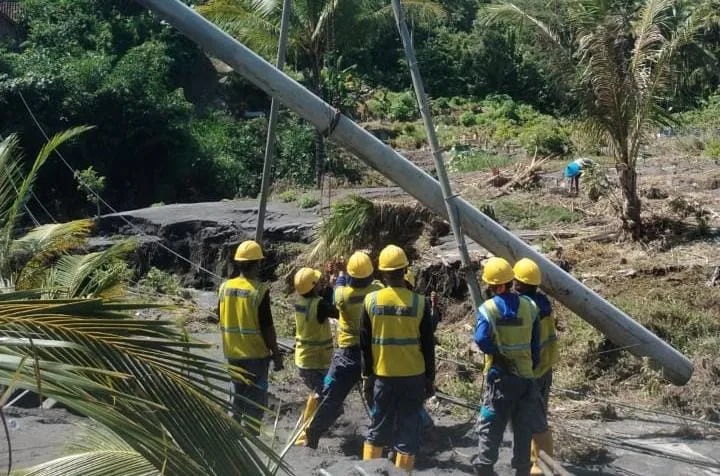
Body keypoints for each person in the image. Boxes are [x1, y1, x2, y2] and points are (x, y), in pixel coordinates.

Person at [360, 245, 436, 473]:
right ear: (405, 270)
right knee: (408, 429)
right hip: (413, 377)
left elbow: (364, 344)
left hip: (383, 376)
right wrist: (430, 378)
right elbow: (428, 346)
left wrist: (367, 376)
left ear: (383, 273)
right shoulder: (419, 303)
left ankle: (368, 471)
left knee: (378, 428)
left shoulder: (371, 301)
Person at [472, 257, 545, 476]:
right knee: (523, 428)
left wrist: (497, 355)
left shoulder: (488, 308)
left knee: (491, 424)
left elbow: (481, 339)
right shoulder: (530, 306)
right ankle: (522, 469)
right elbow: (535, 344)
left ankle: (485, 466)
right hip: (526, 378)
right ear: (511, 281)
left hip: (501, 379)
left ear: (493, 285)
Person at [304, 251, 383, 448]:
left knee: (331, 396)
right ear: (370, 275)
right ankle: (380, 435)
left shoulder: (342, 296)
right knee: (376, 394)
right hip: (372, 353)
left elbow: (338, 286)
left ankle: (313, 433)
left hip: (347, 354)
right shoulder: (377, 291)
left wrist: (340, 274)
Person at [217, 240, 283, 434]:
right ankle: (251, 430)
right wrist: (276, 353)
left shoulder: (224, 287)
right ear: (257, 264)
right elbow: (267, 327)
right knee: (256, 392)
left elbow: (219, 316)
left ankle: (232, 426)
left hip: (232, 351)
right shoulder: (259, 291)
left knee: (236, 390)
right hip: (255, 353)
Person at [513, 258, 557, 476]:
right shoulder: (543, 302)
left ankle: (541, 466)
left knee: (533, 419)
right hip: (545, 368)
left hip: (530, 371)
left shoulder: (525, 308)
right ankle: (537, 461)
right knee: (538, 415)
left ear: (519, 284)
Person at [293, 267, 338, 445]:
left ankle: (315, 426)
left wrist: (326, 288)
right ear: (313, 287)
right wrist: (333, 287)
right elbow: (334, 311)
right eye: (318, 282)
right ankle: (308, 431)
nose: (321, 283)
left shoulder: (301, 302)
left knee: (322, 394)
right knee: (326, 396)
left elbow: (322, 305)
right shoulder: (318, 305)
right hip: (317, 362)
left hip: (305, 360)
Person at [404, 269, 441, 432]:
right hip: (414, 364)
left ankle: (424, 427)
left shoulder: (382, 302)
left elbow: (429, 329)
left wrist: (433, 307)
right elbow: (429, 333)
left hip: (396, 366)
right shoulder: (418, 304)